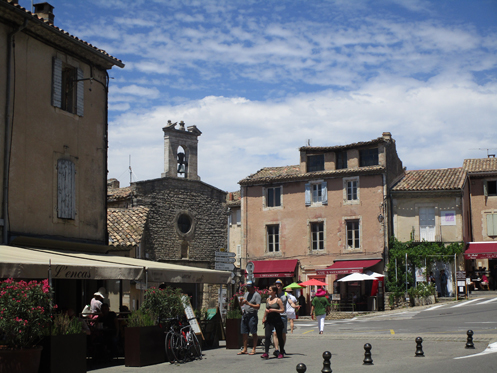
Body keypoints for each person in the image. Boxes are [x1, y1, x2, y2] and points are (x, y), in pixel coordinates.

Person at [272, 279, 297, 357]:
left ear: (282, 286)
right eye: (276, 284)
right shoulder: (273, 294)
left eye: (279, 284)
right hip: (275, 316)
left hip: (283, 315)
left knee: (283, 333)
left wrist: (294, 306)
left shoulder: (285, 294)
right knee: (275, 333)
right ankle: (276, 349)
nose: (277, 285)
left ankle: (282, 348)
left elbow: (290, 302)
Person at [261, 286, 285, 359]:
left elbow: (282, 310)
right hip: (269, 319)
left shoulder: (278, 300)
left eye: (270, 290)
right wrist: (264, 317)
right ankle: (266, 352)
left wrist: (274, 310)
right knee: (267, 336)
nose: (268, 291)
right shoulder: (268, 299)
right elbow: (266, 309)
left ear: (274, 292)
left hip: (277, 319)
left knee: (279, 336)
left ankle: (281, 351)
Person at [237, 280, 261, 355]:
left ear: (253, 287)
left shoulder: (257, 295)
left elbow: (258, 306)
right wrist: (241, 301)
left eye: (249, 287)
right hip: (245, 314)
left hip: (252, 315)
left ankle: (254, 348)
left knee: (253, 332)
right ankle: (245, 348)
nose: (248, 288)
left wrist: (249, 304)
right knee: (244, 332)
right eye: (247, 287)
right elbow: (241, 305)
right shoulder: (246, 294)